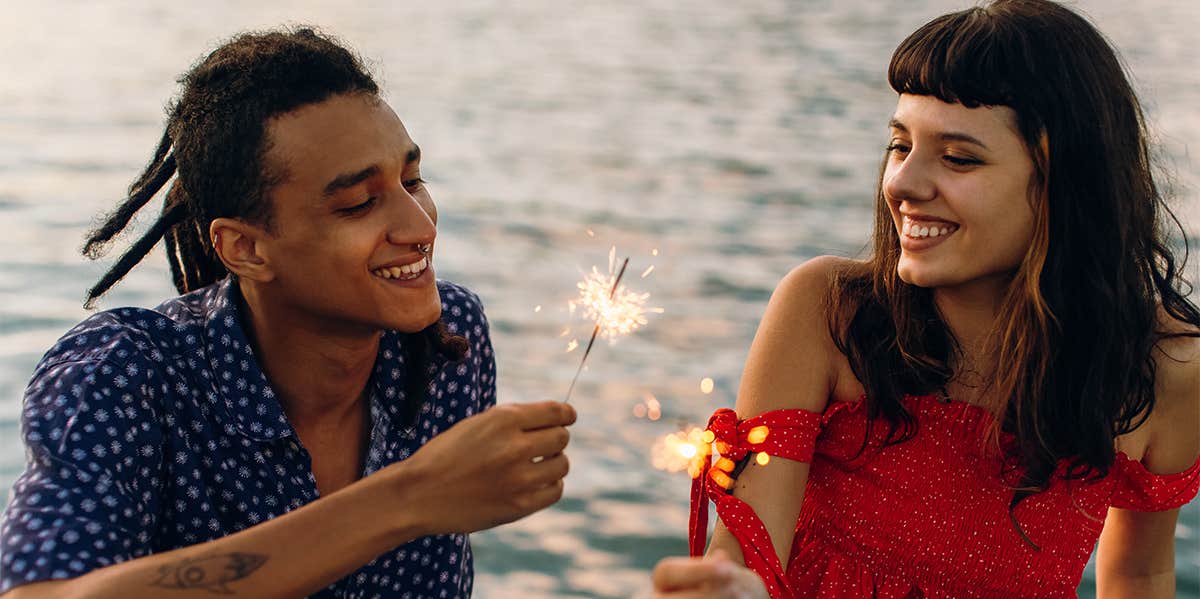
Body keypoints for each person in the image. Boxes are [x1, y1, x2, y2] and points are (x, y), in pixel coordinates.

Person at [0, 28, 575, 598]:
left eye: (412, 179)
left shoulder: (449, 338)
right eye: (358, 204)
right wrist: (407, 498)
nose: (421, 227)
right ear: (245, 248)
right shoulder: (126, 375)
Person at [652, 1, 1200, 597]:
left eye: (958, 158)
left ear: (1063, 183)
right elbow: (744, 554)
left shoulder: (1167, 369)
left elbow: (1142, 572)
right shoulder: (829, 311)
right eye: (899, 145)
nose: (903, 184)